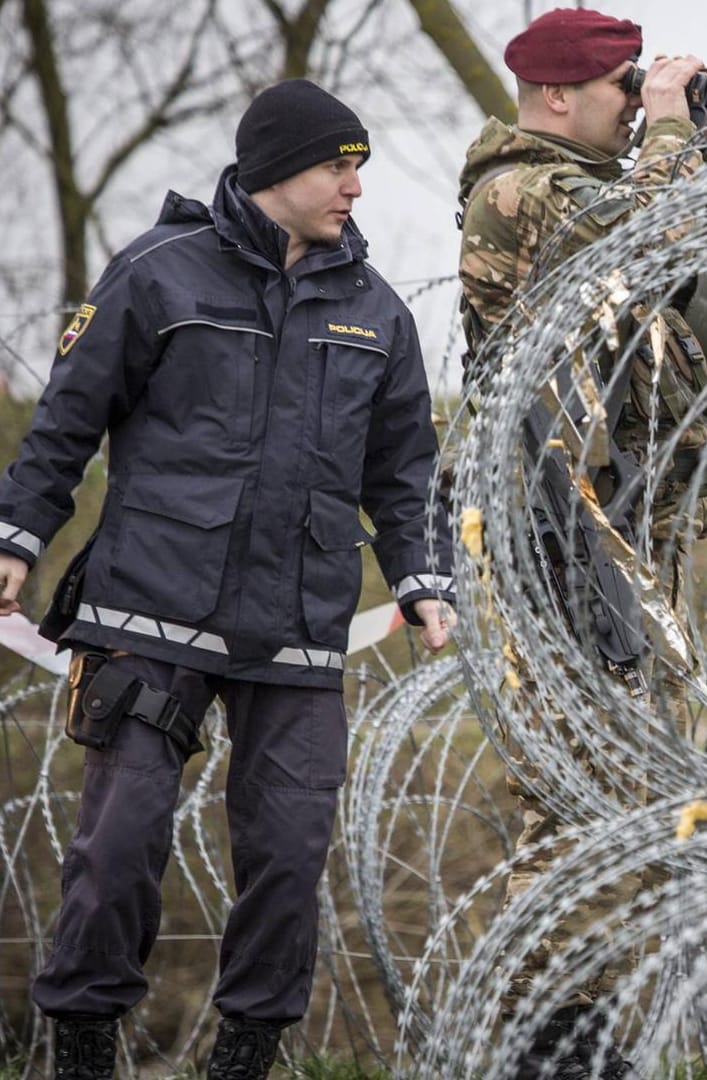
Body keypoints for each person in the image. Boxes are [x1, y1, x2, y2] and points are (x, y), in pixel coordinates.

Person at [0, 79, 456, 1080]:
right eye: (338, 165)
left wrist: (421, 577)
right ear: (274, 169)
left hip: (296, 630)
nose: (356, 188)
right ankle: (81, 1049)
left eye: (361, 167)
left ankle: (243, 1058)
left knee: (290, 860)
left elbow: (403, 472)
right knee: (117, 852)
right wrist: (17, 538)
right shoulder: (158, 275)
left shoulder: (378, 313)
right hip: (146, 613)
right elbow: (67, 421)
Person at [456, 8, 707, 1078]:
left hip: (627, 536)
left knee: (626, 799)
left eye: (643, 88)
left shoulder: (608, 186)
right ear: (557, 97)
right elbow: (641, 244)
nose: (639, 107)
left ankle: (594, 1029)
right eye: (627, 89)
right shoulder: (518, 192)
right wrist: (670, 135)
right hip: (554, 539)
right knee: (563, 798)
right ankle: (549, 1036)